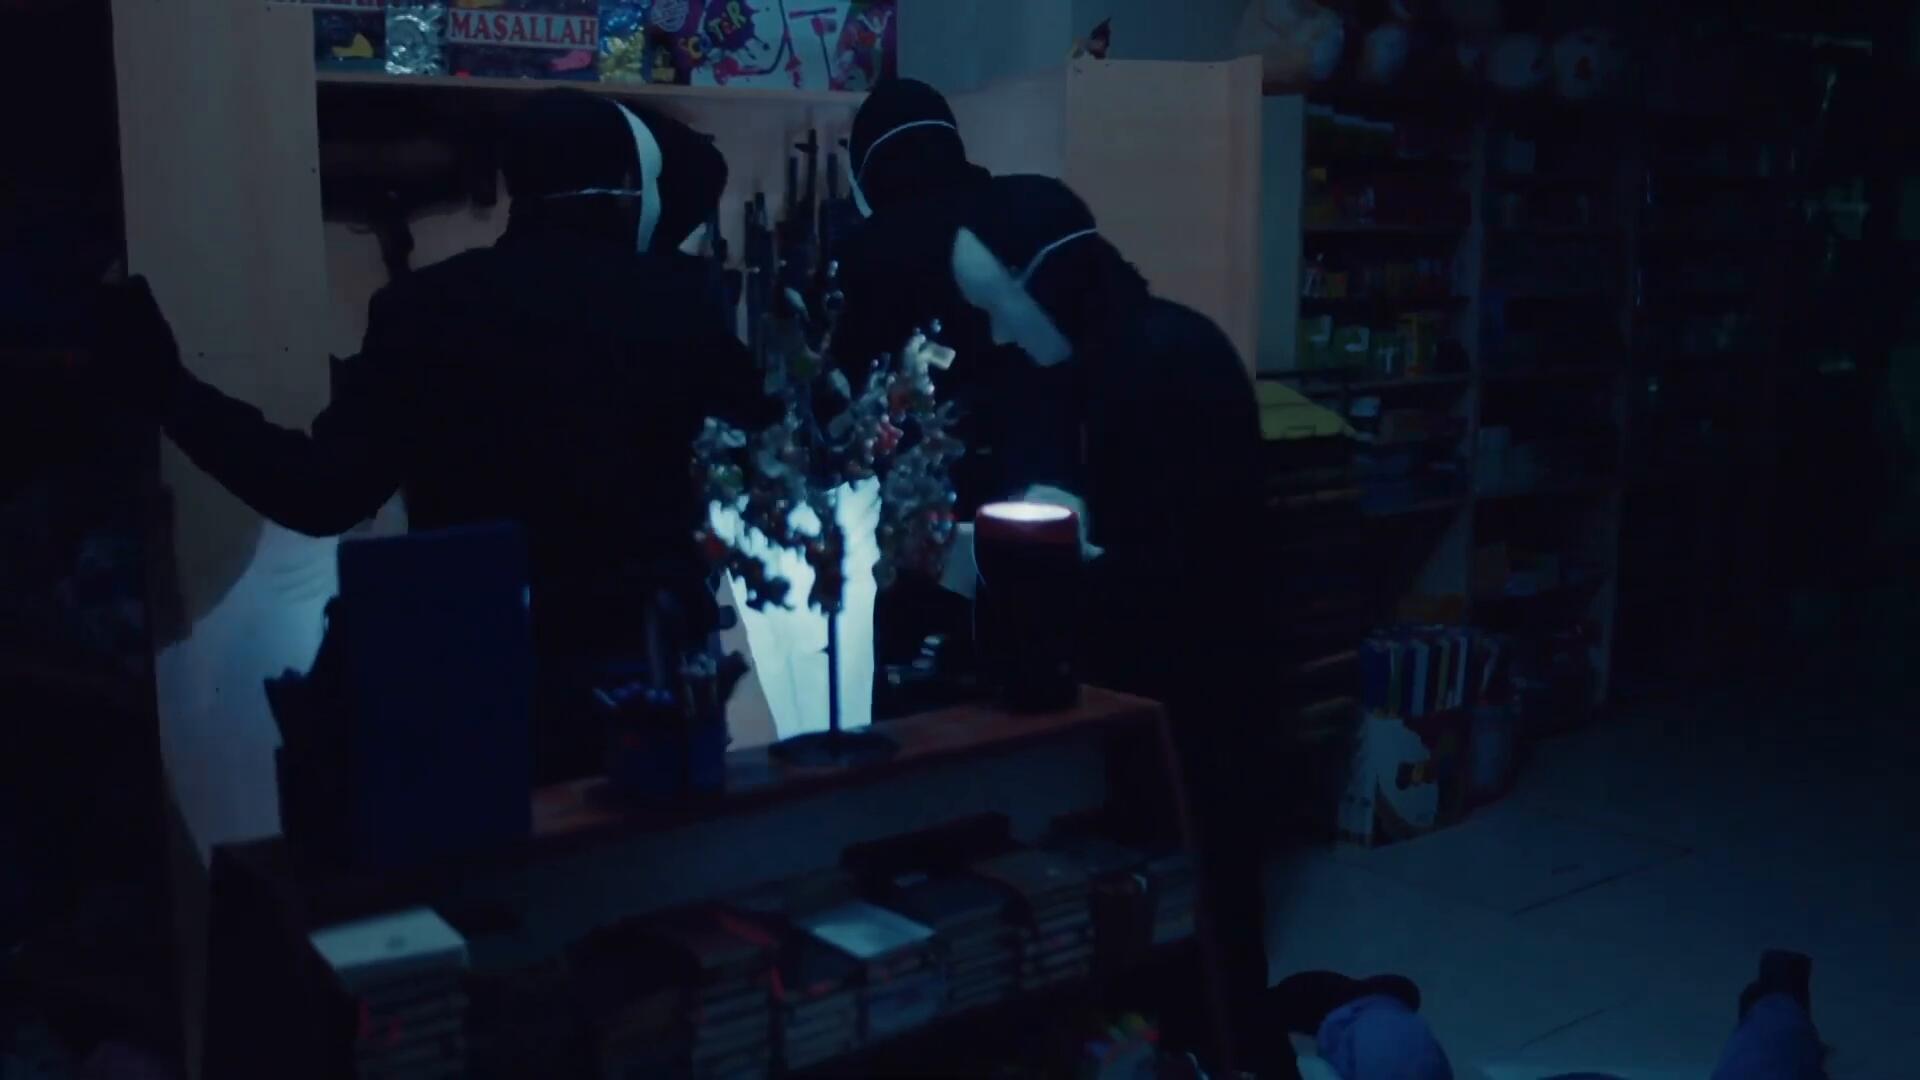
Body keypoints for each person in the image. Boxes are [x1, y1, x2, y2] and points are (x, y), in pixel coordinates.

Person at [95, 88, 770, 783]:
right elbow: (761, 449)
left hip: (480, 678)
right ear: (632, 190)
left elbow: (320, 492)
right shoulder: (681, 305)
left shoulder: (425, 311)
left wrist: (172, 393)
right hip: (655, 680)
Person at [945, 174, 1272, 1069]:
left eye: (1001, 308)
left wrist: (1072, 565)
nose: (999, 333)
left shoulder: (1163, 361)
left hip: (1199, 692)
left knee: (1203, 902)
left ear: (1043, 284)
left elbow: (1192, 565)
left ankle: (1222, 1051)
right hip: (1160, 682)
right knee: (1163, 908)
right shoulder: (1107, 355)